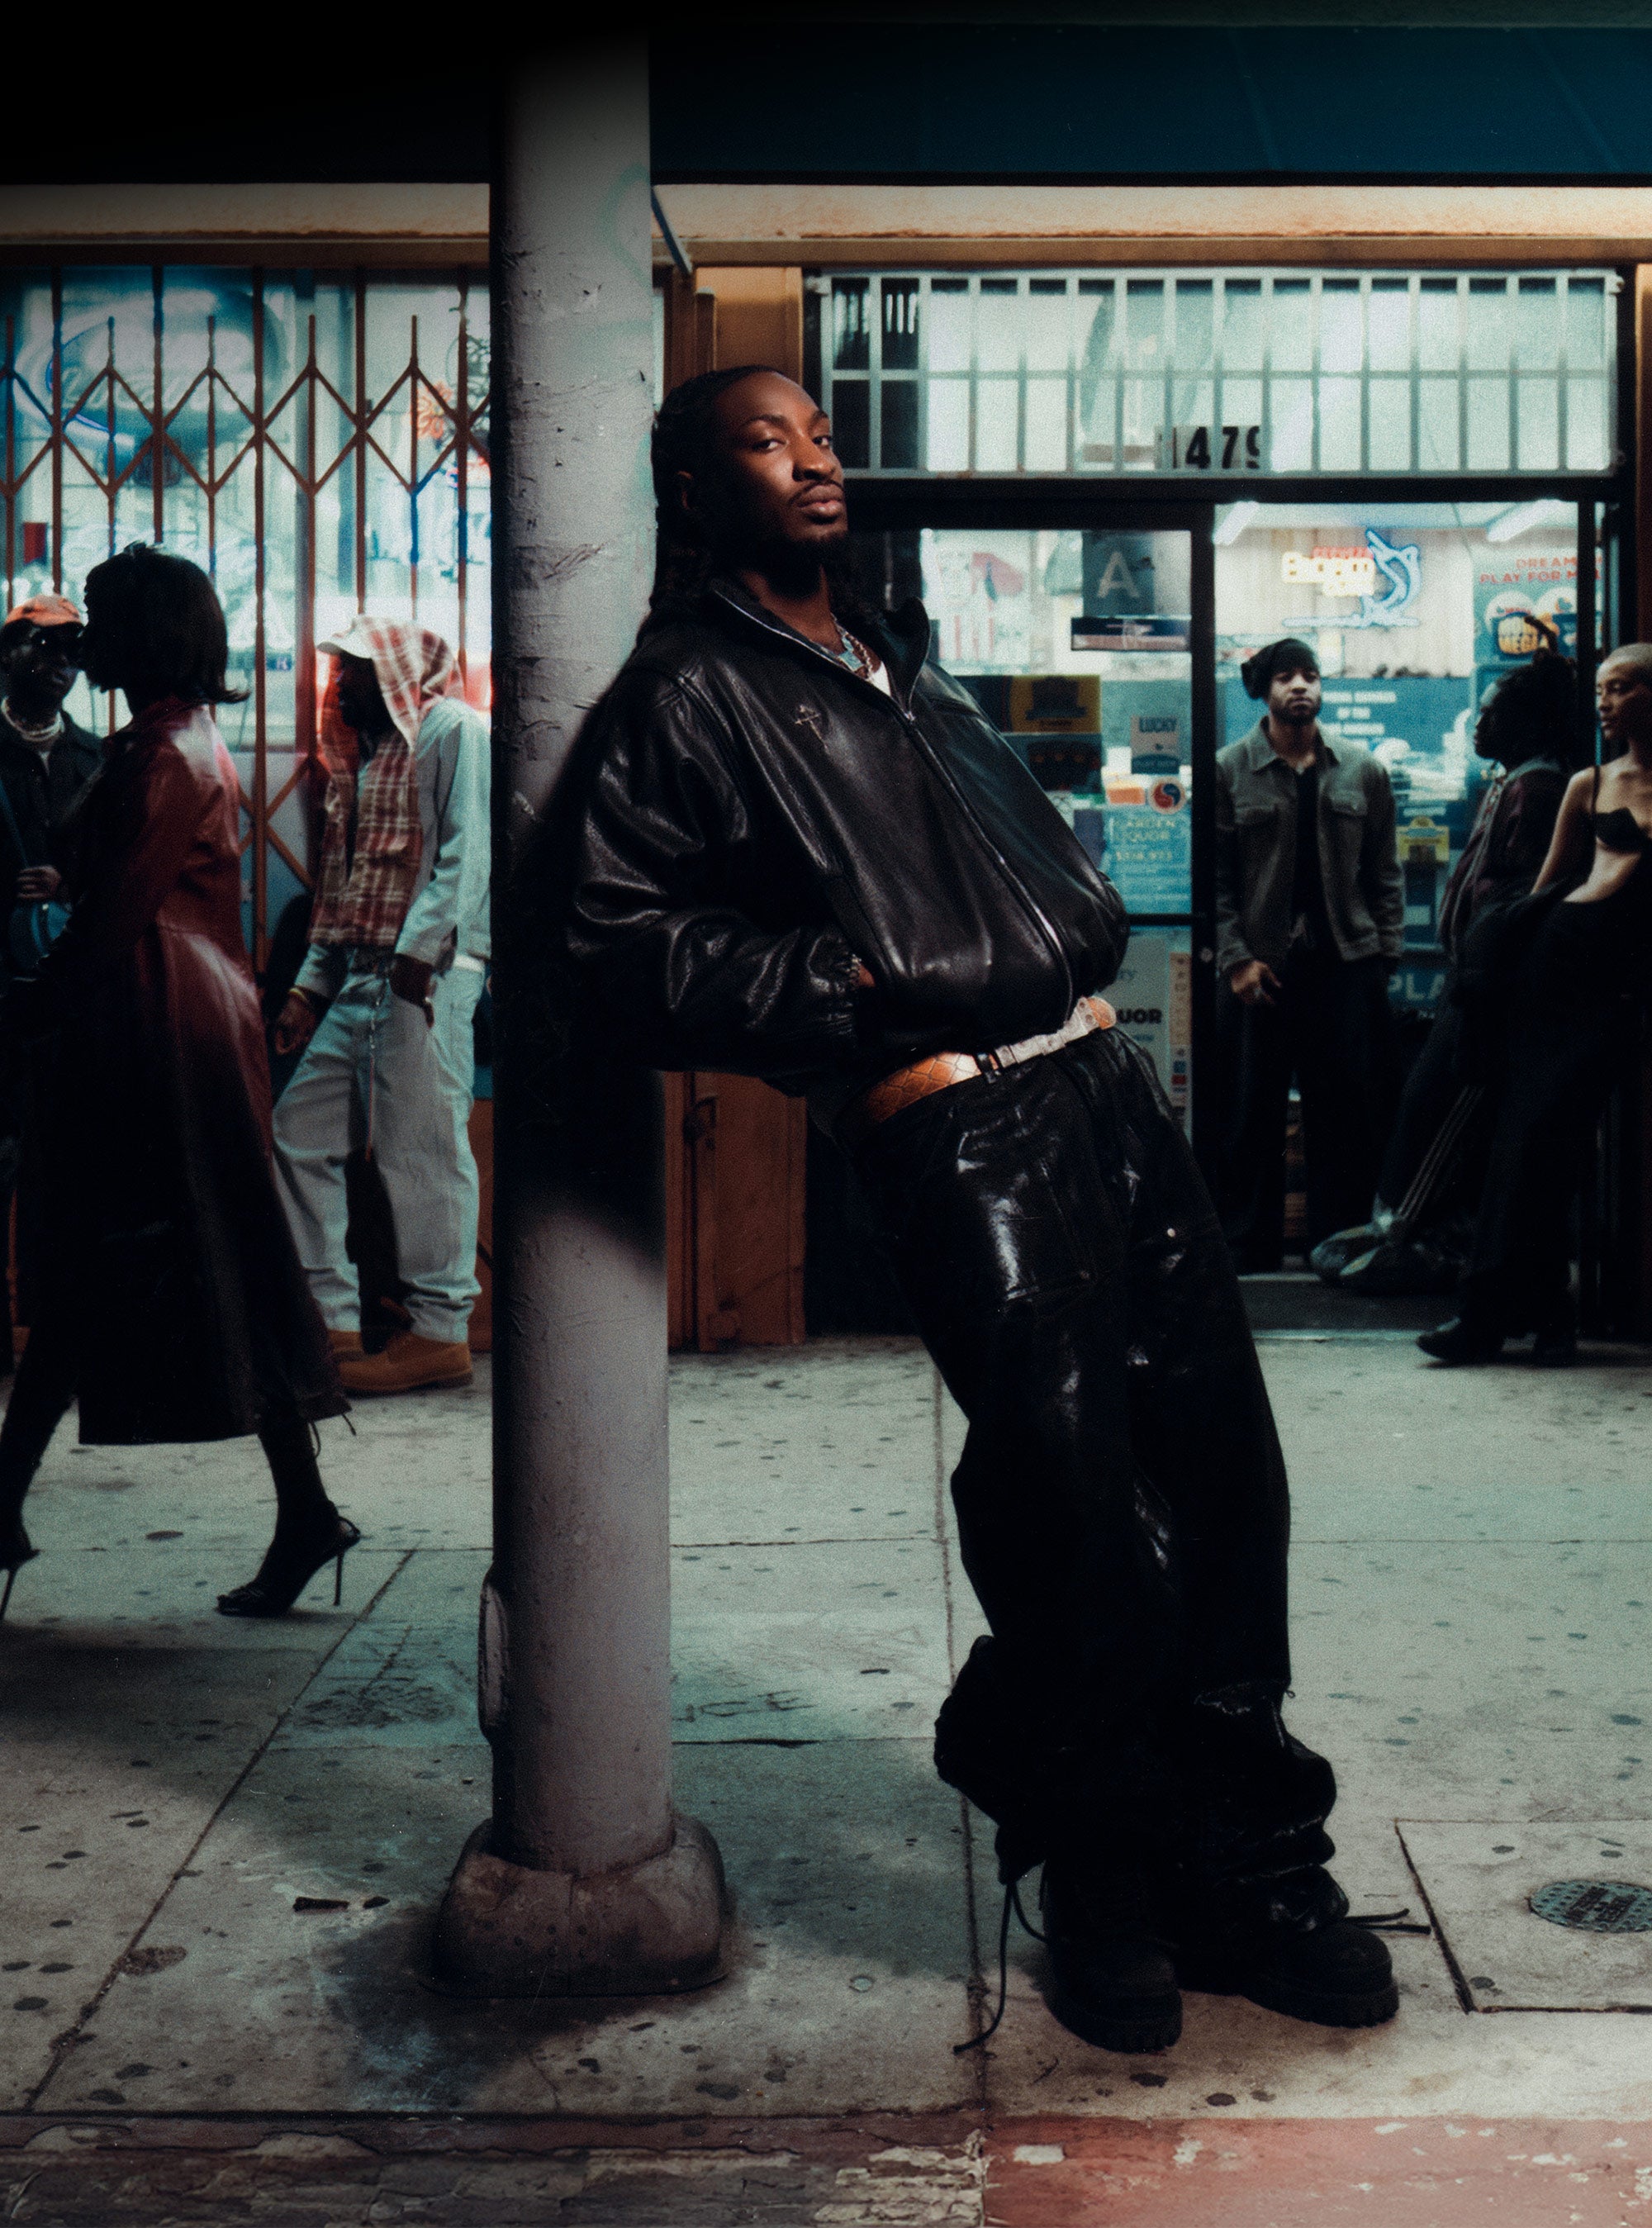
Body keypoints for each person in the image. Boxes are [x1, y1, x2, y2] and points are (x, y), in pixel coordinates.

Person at [548, 364, 1396, 2056]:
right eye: (766, 443)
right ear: (699, 491)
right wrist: (836, 978)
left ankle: (1244, 1858)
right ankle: (1099, 1868)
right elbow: (599, 940)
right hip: (952, 1125)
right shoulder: (689, 692)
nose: (814, 460)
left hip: (1102, 1091)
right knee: (1068, 1501)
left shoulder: (900, 666)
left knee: (1225, 1477)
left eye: (820, 432)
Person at [0, 544, 354, 1622]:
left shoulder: (161, 754)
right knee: (189, 1260)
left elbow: (115, 921)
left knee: (139, 1262)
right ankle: (301, 1511)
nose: (83, 640)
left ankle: (8, 1507)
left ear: (139, 634)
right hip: (168, 1027)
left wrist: (42, 1002)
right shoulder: (167, 740)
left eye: (98, 618)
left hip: (157, 1036)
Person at [270, 621, 490, 1395]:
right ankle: (328, 1320)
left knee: (421, 1150)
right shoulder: (358, 760)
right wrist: (307, 989)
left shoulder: (452, 730)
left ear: (396, 672)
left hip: (425, 975)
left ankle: (438, 1330)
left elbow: (469, 853)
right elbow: (344, 892)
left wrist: (419, 953)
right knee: (297, 1131)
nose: (339, 683)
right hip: (362, 974)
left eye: (354, 669)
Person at [1420, 643, 1652, 1366]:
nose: (1604, 702)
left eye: (1619, 689)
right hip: (1559, 968)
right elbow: (1545, 888)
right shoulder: (1589, 782)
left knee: (1549, 1143)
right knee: (1531, 1141)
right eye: (1601, 691)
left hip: (1620, 988)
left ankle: (1525, 1316)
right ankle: (1523, 1318)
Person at [1313, 654, 1574, 1295]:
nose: (1476, 725)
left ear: (1521, 722)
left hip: (1489, 989)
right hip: (1474, 981)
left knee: (1442, 1112)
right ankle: (1397, 1230)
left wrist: (1484, 981)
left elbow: (1523, 895)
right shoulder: (1513, 782)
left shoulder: (1535, 790)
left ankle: (1408, 1237)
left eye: (1489, 713)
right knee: (1424, 1106)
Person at [1215, 639, 1404, 1270]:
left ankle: (1341, 1244)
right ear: (1262, 690)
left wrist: (1385, 956)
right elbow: (1215, 883)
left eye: (1311, 676)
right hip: (1260, 969)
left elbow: (1385, 873)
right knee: (1250, 1115)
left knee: (1348, 1116)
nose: (1301, 686)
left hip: (1345, 966)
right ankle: (1250, 1248)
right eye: (1287, 677)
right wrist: (1237, 959)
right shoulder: (1230, 769)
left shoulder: (1362, 770)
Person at [0, 592, 102, 1371]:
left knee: (69, 1157)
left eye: (72, 649)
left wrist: (71, 881)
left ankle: (60, 1331)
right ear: (9, 653)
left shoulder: (96, 759)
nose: (60, 662)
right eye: (44, 646)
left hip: (72, 985)